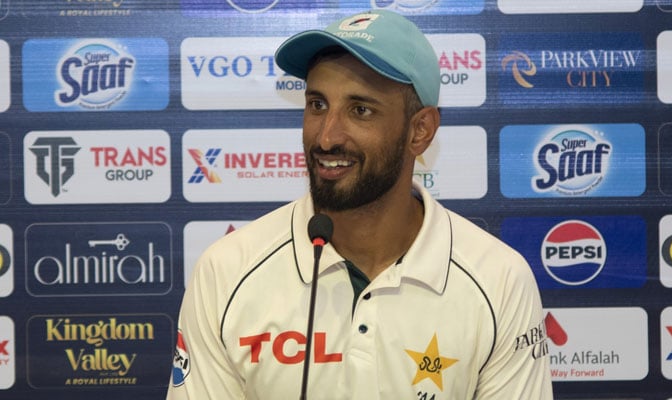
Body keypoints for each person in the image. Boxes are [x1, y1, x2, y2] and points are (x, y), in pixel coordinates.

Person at [167, 9, 553, 399]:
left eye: (360, 110)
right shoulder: (227, 270)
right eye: (317, 105)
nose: (327, 137)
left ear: (420, 131)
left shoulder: (498, 280)